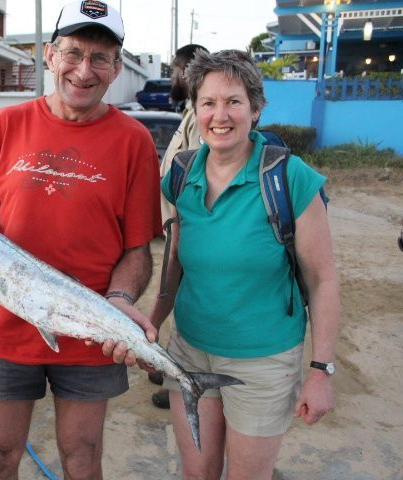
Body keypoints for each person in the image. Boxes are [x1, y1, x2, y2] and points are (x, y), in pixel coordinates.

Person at [0, 2, 162, 478]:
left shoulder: (135, 141)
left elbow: (136, 250)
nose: (84, 70)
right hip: (7, 327)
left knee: (82, 458)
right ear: (49, 55)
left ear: (116, 68)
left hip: (92, 332)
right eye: (73, 52)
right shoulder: (6, 125)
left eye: (100, 57)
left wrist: (121, 300)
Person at [149, 49, 339, 479]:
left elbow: (323, 280)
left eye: (234, 101)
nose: (221, 114)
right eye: (208, 102)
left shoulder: (290, 178)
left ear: (255, 109)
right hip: (190, 352)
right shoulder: (180, 173)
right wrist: (153, 323)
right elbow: (175, 260)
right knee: (196, 474)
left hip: (263, 363)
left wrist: (321, 371)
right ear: (194, 109)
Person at [149, 43, 209, 410]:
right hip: (177, 223)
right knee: (172, 295)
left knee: (182, 301)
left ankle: (180, 379)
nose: (171, 77)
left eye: (174, 70)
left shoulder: (201, 118)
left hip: (190, 227)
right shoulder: (189, 112)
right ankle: (167, 366)